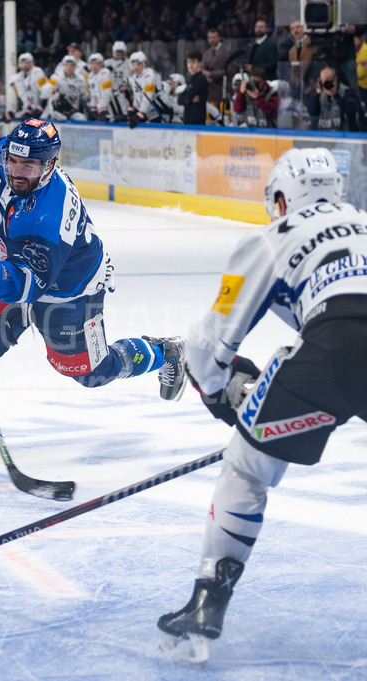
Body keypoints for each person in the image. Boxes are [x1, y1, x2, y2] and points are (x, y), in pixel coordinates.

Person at [157, 147, 367, 665]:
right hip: (338, 342)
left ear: (280, 199)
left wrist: (223, 400)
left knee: (247, 468)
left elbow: (207, 344)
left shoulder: (272, 237)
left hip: (331, 348)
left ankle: (209, 600)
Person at [0, 119, 186, 459]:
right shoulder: (3, 156)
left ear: (49, 165)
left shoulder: (51, 211)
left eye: (29, 166)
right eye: (14, 162)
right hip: (10, 272)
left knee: (91, 373)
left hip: (71, 290)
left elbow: (27, 281)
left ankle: (164, 352)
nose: (17, 172)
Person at [306, 65, 362, 131]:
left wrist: (335, 95)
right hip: (323, 135)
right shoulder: (319, 94)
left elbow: (350, 112)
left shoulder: (347, 92)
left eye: (327, 82)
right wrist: (317, 94)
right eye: (322, 82)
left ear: (335, 79)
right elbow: (312, 112)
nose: (325, 85)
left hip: (343, 135)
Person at [41, 55, 88, 122]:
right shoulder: (57, 77)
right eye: (67, 65)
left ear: (75, 67)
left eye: (72, 65)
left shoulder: (80, 79)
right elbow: (45, 89)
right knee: (61, 119)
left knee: (82, 119)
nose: (69, 67)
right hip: (58, 110)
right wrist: (55, 94)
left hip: (72, 109)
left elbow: (84, 95)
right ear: (63, 66)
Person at [126, 51, 165, 127]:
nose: (136, 67)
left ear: (144, 64)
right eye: (133, 65)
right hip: (145, 113)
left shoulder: (149, 75)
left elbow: (148, 96)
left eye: (138, 64)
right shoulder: (134, 77)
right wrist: (134, 109)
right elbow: (137, 95)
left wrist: (141, 113)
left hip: (156, 114)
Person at [5, 52, 47, 121]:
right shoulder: (18, 77)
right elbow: (21, 93)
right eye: (23, 63)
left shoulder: (37, 72)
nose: (25, 65)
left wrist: (41, 106)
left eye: (28, 62)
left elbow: (44, 91)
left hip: (42, 109)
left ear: (32, 63)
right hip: (30, 110)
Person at [181, 50, 209, 125]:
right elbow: (180, 100)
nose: (190, 65)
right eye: (188, 62)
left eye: (193, 62)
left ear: (200, 63)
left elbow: (188, 98)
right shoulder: (190, 79)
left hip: (197, 121)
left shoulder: (200, 79)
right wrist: (187, 99)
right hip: (188, 119)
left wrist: (187, 99)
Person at [202, 28, 229, 107]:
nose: (212, 40)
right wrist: (205, 75)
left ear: (219, 38)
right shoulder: (207, 53)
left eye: (214, 38)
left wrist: (210, 74)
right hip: (210, 89)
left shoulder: (226, 51)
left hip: (222, 88)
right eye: (210, 38)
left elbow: (229, 71)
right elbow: (203, 69)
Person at [85, 52, 112, 121]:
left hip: (106, 107)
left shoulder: (105, 73)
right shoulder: (89, 76)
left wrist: (102, 108)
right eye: (92, 63)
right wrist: (92, 107)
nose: (94, 66)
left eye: (97, 64)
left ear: (101, 64)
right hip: (95, 107)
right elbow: (92, 93)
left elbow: (107, 93)